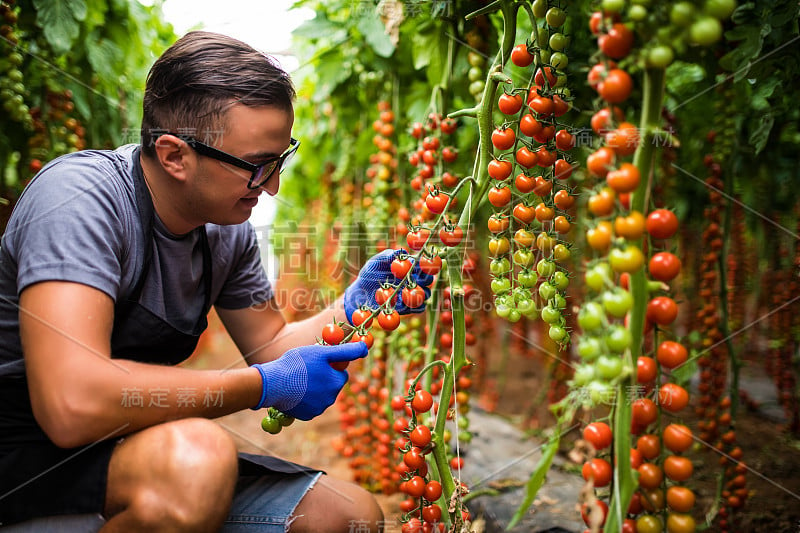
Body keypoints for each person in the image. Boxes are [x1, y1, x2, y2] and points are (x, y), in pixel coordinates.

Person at [0, 31, 432, 532]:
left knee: (345, 516)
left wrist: (356, 304)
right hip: (23, 454)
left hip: (124, 447)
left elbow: (270, 344)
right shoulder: (81, 200)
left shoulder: (224, 235)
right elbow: (70, 404)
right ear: (174, 156)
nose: (272, 186)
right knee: (198, 455)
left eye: (280, 159)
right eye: (256, 166)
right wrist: (258, 387)